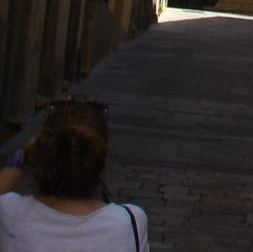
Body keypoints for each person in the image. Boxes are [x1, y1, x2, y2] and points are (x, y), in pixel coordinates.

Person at [0, 98, 148, 250]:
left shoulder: (11, 213)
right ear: (101, 160)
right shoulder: (129, 222)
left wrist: (20, 159)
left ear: (40, 153)